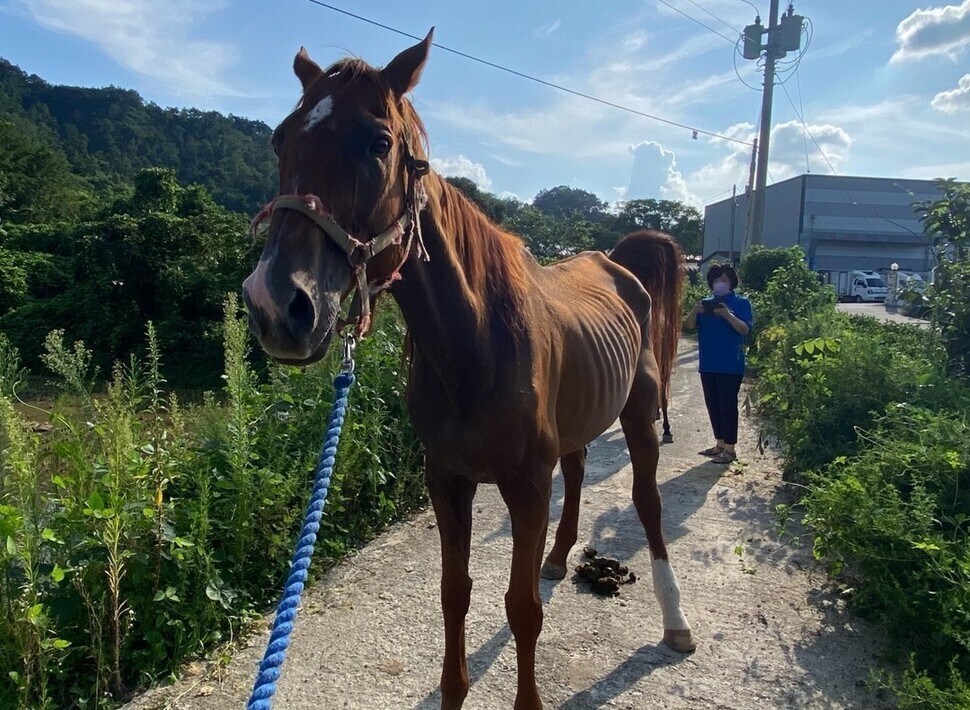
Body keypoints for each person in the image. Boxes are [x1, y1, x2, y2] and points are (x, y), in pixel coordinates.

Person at [683, 263, 753, 464]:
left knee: (727, 405)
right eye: (716, 280)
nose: (720, 284)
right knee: (713, 405)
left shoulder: (741, 303)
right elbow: (688, 326)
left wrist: (727, 315)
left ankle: (730, 450)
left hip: (731, 364)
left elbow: (744, 330)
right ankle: (720, 444)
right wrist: (694, 310)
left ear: (732, 282)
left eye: (724, 280)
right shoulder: (705, 303)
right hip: (708, 363)